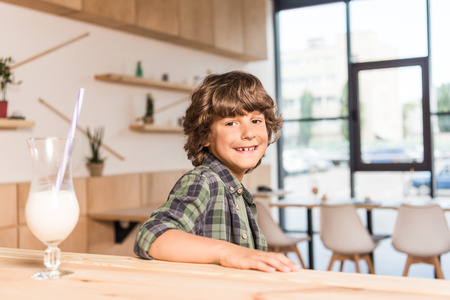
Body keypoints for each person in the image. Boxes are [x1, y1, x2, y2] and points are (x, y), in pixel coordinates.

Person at [134, 71, 299, 273]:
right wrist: (228, 252)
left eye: (256, 121)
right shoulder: (204, 181)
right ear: (205, 136)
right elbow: (152, 236)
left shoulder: (236, 192)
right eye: (231, 123)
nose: (248, 134)